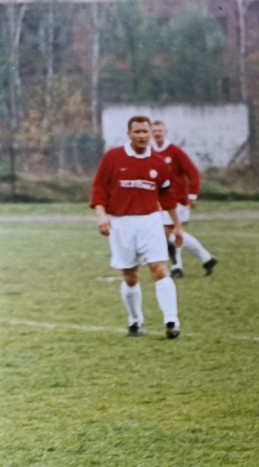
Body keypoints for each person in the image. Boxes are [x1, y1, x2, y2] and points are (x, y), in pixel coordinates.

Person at [90, 115, 182, 339]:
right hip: (120, 223)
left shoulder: (159, 163)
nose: (142, 135)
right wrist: (101, 215)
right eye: (137, 132)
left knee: (159, 269)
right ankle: (134, 320)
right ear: (129, 134)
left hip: (150, 221)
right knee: (130, 276)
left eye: (145, 131)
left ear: (151, 133)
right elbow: (99, 188)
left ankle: (172, 320)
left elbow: (167, 196)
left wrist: (177, 226)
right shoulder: (113, 157)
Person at [150, 120, 218, 278]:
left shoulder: (175, 151)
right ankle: (206, 258)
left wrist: (192, 195)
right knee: (172, 235)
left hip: (178, 201)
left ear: (165, 132)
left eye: (160, 130)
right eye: (154, 131)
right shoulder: (151, 153)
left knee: (171, 234)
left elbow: (193, 172)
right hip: (162, 202)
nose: (157, 133)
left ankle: (177, 267)